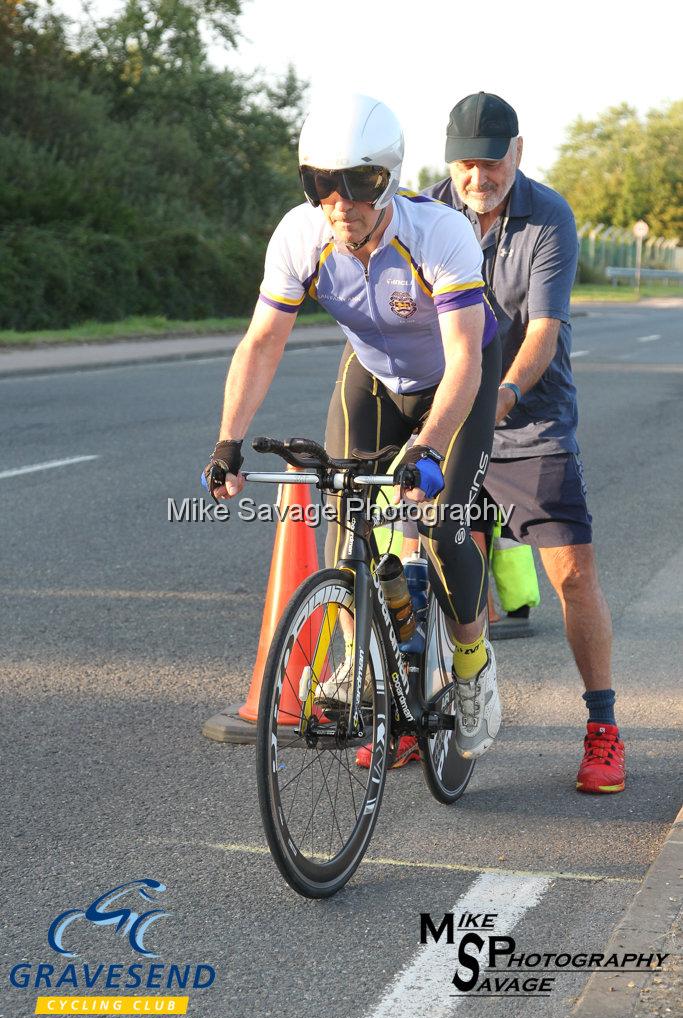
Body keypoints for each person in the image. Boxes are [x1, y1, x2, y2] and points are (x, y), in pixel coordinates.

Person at [202, 93, 503, 766]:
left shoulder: (439, 235)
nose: (340, 204)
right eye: (321, 185)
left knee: (445, 525)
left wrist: (426, 446)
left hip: (456, 380)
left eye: (359, 184)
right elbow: (261, 344)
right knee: (347, 518)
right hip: (370, 376)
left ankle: (471, 668)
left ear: (388, 178)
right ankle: (355, 662)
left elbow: (463, 361)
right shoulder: (299, 235)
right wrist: (227, 440)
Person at [422, 92, 625, 794]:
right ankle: (451, 705)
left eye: (492, 161)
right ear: (450, 161)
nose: (479, 176)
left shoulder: (547, 215)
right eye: (466, 163)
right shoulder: (424, 215)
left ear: (517, 152)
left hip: (527, 418)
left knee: (569, 575)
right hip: (451, 417)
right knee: (452, 570)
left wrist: (500, 394)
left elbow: (542, 330)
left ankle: (602, 727)